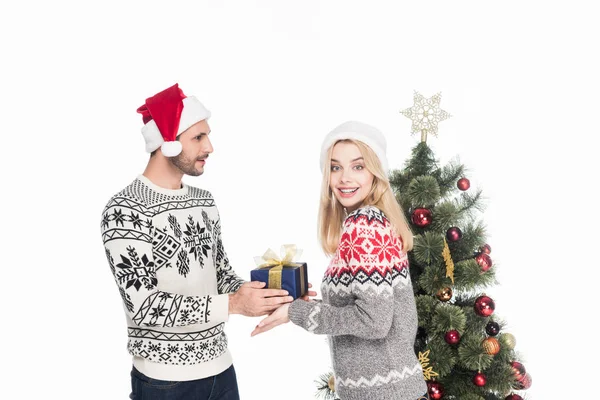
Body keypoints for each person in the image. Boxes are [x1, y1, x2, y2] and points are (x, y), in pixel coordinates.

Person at [100, 83, 308, 400]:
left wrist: (270, 295)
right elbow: (145, 307)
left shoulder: (204, 201)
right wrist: (234, 305)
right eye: (198, 137)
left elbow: (221, 274)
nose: (209, 147)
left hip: (221, 372)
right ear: (167, 142)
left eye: (206, 136)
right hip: (164, 384)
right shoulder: (125, 210)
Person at [251, 121, 429, 400]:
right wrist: (310, 307)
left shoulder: (364, 225)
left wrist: (295, 313)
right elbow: (371, 309)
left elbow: (372, 322)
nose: (345, 178)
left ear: (375, 173)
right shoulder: (374, 221)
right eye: (336, 167)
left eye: (358, 166)